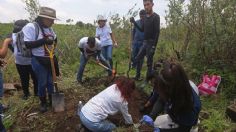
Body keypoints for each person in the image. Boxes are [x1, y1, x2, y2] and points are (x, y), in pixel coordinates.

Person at [141, 62, 201, 132]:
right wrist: (152, 115)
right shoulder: (176, 87)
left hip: (186, 126)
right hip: (176, 117)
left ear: (168, 88)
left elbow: (183, 129)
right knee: (157, 122)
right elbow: (161, 100)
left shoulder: (187, 107)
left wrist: (161, 131)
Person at [22, 6, 58, 112]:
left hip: (50, 59)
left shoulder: (49, 28)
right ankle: (42, 102)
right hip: (38, 59)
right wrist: (44, 41)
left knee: (51, 82)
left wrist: (53, 40)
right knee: (42, 82)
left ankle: (51, 99)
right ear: (44, 18)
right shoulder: (32, 27)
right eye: (51, 20)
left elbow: (55, 38)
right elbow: (27, 44)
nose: (53, 22)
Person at [130, 0, 160, 82]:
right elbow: (142, 29)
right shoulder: (145, 18)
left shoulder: (156, 17)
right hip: (145, 42)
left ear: (152, 4)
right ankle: (138, 75)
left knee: (149, 63)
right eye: (144, 5)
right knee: (138, 58)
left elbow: (157, 32)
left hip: (151, 42)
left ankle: (147, 80)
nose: (146, 7)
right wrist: (134, 23)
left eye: (148, 4)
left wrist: (154, 46)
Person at [11, 20, 38, 100]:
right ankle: (26, 94)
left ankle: (36, 94)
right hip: (20, 62)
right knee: (24, 79)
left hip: (31, 61)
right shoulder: (13, 35)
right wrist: (15, 51)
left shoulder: (29, 34)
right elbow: (10, 45)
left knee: (35, 78)